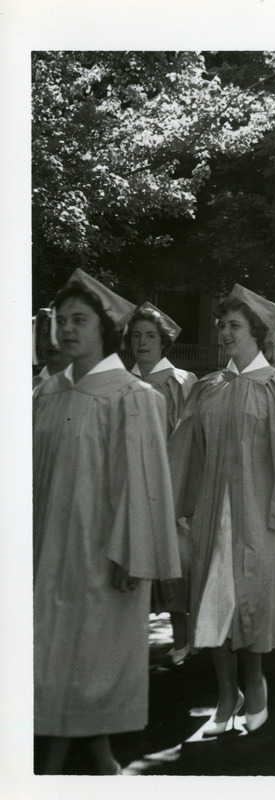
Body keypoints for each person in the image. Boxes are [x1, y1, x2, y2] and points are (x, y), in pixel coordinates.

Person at [34, 269, 180, 774]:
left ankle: (53, 772)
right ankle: (100, 763)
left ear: (104, 330)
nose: (68, 330)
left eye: (81, 320)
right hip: (43, 552)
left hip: (101, 556)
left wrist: (136, 555)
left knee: (76, 666)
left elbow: (143, 487)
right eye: (63, 321)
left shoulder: (132, 397)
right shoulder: (46, 394)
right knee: (53, 664)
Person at [169, 284, 275, 737]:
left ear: (258, 333)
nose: (223, 332)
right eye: (221, 324)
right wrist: (182, 507)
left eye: (233, 325)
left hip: (260, 517)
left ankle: (254, 683)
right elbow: (187, 454)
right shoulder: (208, 387)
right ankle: (225, 694)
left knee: (252, 601)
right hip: (211, 515)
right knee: (213, 604)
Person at [126, 301, 198, 665]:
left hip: (171, 484)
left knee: (175, 565)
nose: (142, 342)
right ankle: (132, 645)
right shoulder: (121, 383)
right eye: (136, 335)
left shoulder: (181, 381)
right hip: (129, 487)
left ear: (163, 341)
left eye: (150, 336)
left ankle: (183, 640)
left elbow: (187, 440)